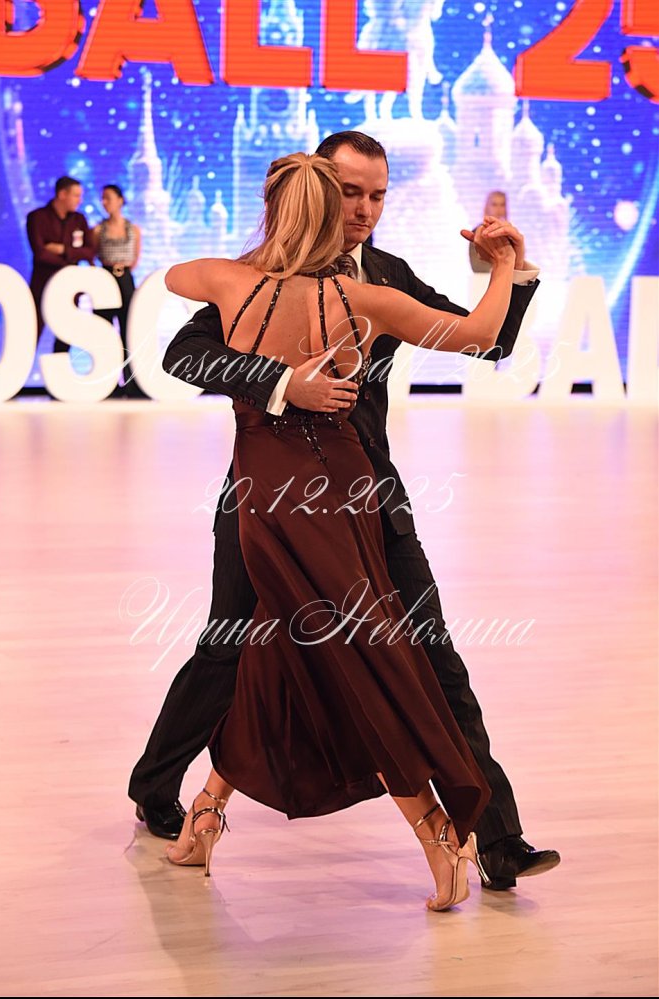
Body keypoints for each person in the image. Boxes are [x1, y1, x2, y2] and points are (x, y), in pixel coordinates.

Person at [129, 132, 560, 893]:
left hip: (369, 498)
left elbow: (485, 344)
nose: (364, 209)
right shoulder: (254, 275)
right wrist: (280, 382)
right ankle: (160, 788)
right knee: (236, 650)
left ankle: (496, 839)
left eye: (378, 195)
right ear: (324, 192)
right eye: (350, 193)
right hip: (263, 500)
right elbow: (184, 356)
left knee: (427, 655)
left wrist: (512, 272)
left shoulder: (382, 278)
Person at [26, 176, 96, 352]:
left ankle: (60, 367)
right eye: (76, 195)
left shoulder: (79, 219)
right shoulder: (37, 217)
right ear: (62, 194)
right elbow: (40, 253)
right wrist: (70, 261)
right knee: (31, 334)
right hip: (43, 285)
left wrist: (63, 250)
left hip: (70, 287)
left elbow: (89, 251)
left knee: (67, 336)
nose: (80, 200)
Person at [92, 184, 145, 398]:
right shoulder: (97, 229)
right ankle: (108, 384)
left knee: (128, 331)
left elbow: (136, 257)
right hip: (104, 279)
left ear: (120, 200)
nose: (104, 202)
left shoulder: (134, 229)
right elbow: (93, 254)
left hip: (125, 279)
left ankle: (132, 383)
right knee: (105, 331)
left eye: (108, 198)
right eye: (103, 198)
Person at [469, 191, 508, 273]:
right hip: (485, 278)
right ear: (487, 207)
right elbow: (477, 266)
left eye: (502, 205)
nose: (498, 209)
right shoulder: (478, 233)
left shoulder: (510, 233)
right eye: (494, 204)